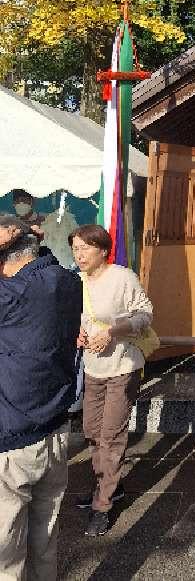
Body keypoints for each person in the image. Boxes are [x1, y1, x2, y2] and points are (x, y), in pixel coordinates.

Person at [0, 215, 82, 580]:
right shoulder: (67, 282)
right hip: (55, 429)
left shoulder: (11, 295)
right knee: (45, 539)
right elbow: (39, 262)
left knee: (7, 551)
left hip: (14, 435)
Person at [70, 224, 153, 537]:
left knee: (111, 436)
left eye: (85, 248)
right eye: (75, 249)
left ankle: (103, 504)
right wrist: (77, 334)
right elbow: (79, 319)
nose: (79, 255)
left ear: (102, 250)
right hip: (93, 368)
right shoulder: (77, 282)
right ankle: (108, 485)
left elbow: (145, 315)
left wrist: (112, 331)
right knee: (91, 430)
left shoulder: (122, 278)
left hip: (123, 365)